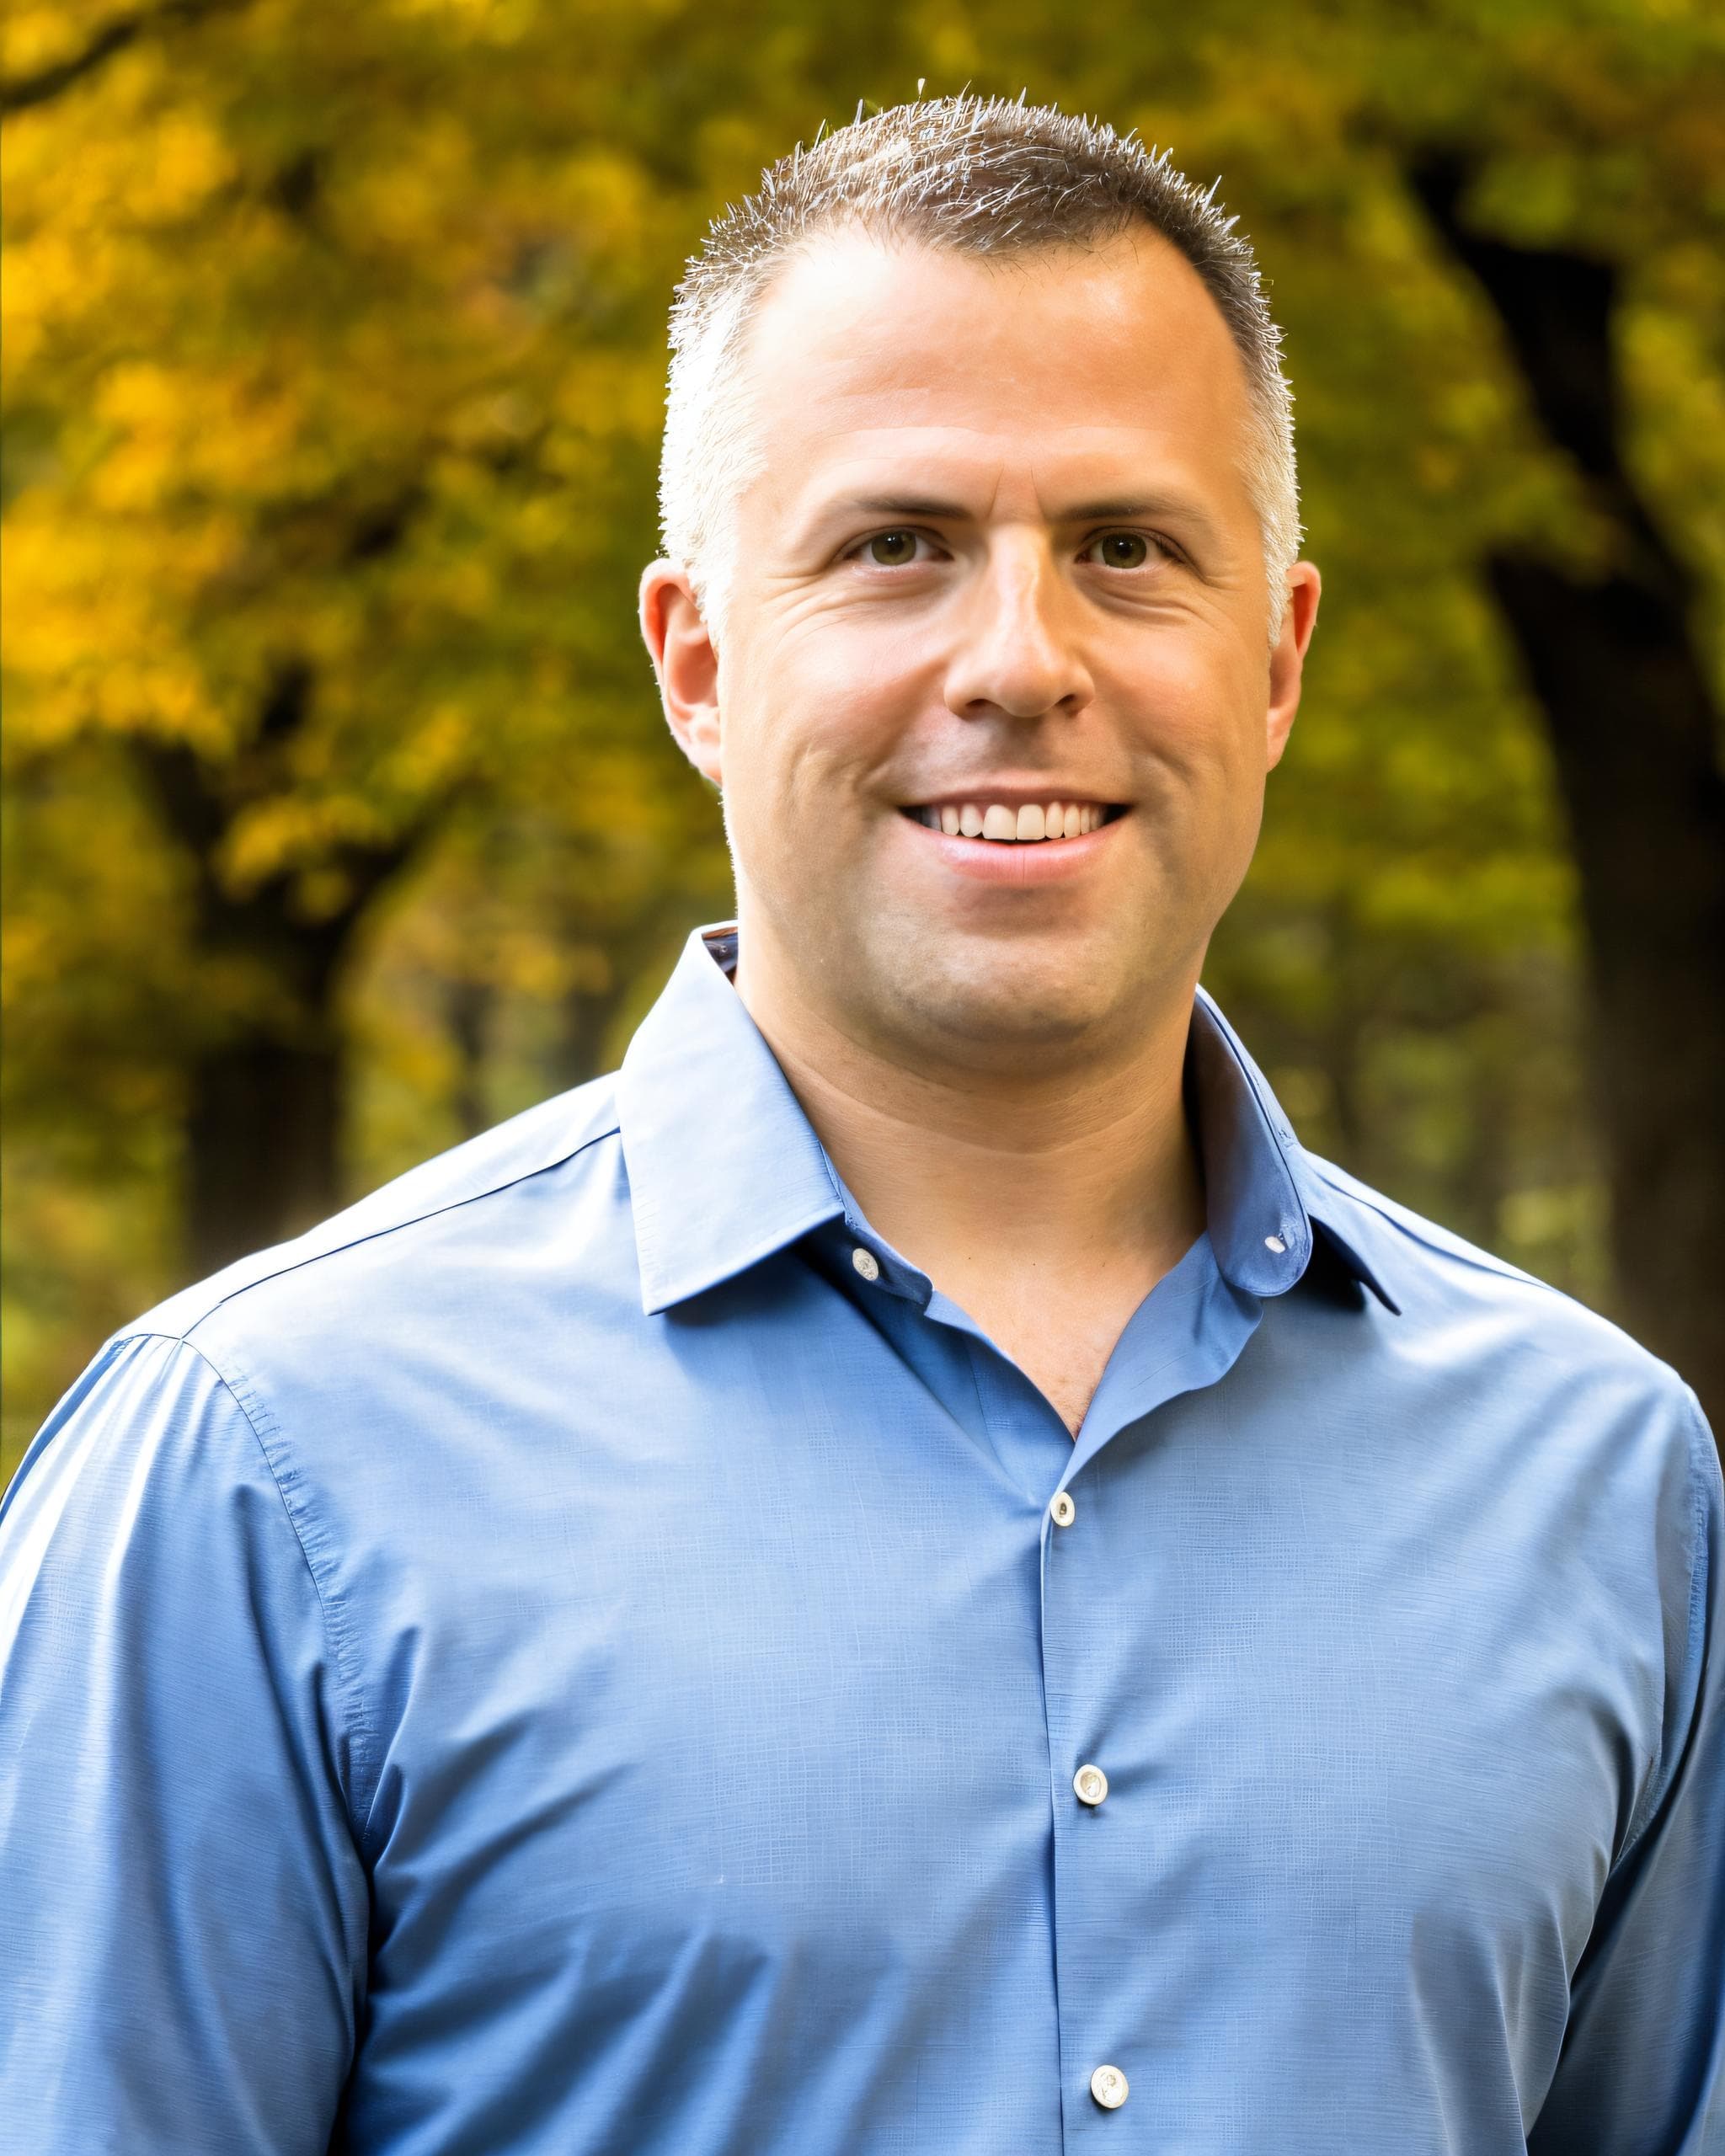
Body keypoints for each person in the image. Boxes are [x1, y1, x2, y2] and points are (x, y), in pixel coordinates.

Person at [2, 93, 1720, 2156]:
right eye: (896, 547)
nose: (1021, 661)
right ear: (698, 658)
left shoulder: (1602, 1480)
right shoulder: (260, 1472)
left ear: (1274, 664)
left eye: (1128, 550)